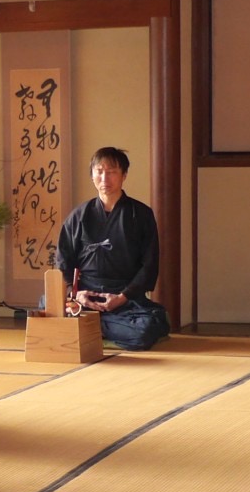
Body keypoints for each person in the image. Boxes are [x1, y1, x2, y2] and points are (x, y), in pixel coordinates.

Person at [56, 147, 169, 350]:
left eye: (112, 172)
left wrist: (122, 297)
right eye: (99, 171)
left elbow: (150, 264)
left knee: (147, 329)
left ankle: (89, 324)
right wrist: (75, 294)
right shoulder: (79, 215)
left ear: (124, 175)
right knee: (46, 302)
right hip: (85, 294)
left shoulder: (141, 214)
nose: (104, 178)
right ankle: (93, 321)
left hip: (123, 296)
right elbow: (63, 259)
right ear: (91, 175)